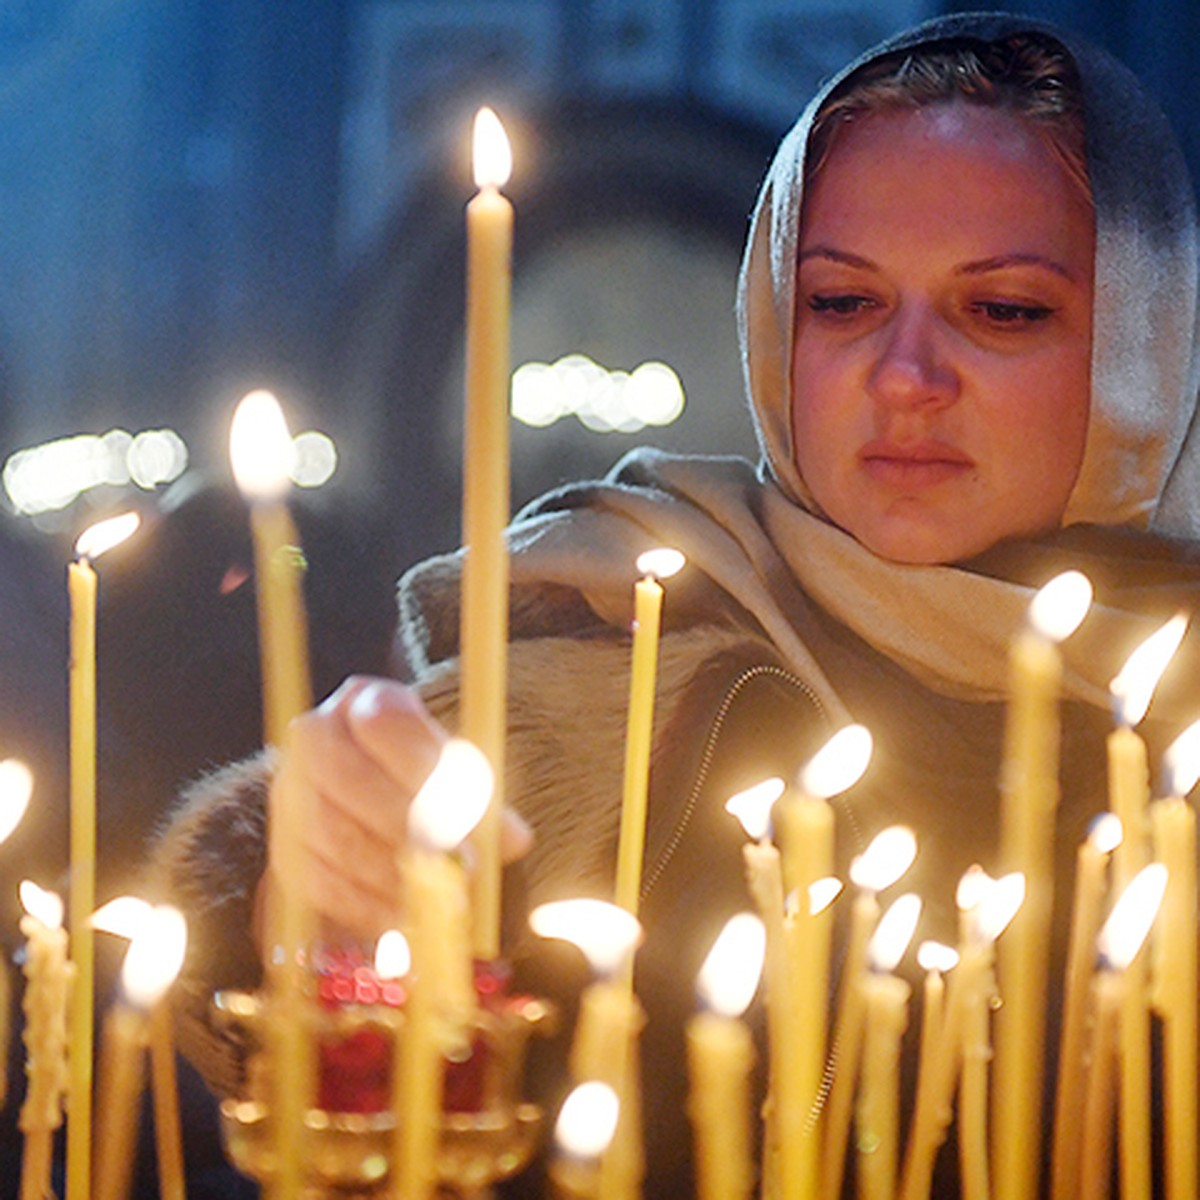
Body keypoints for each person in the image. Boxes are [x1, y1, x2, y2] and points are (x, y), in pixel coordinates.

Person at [148, 11, 1200, 1197]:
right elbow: (362, 1106)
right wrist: (324, 908)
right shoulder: (604, 679)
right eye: (842, 303)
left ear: (1146, 344)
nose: (905, 378)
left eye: (1002, 310)